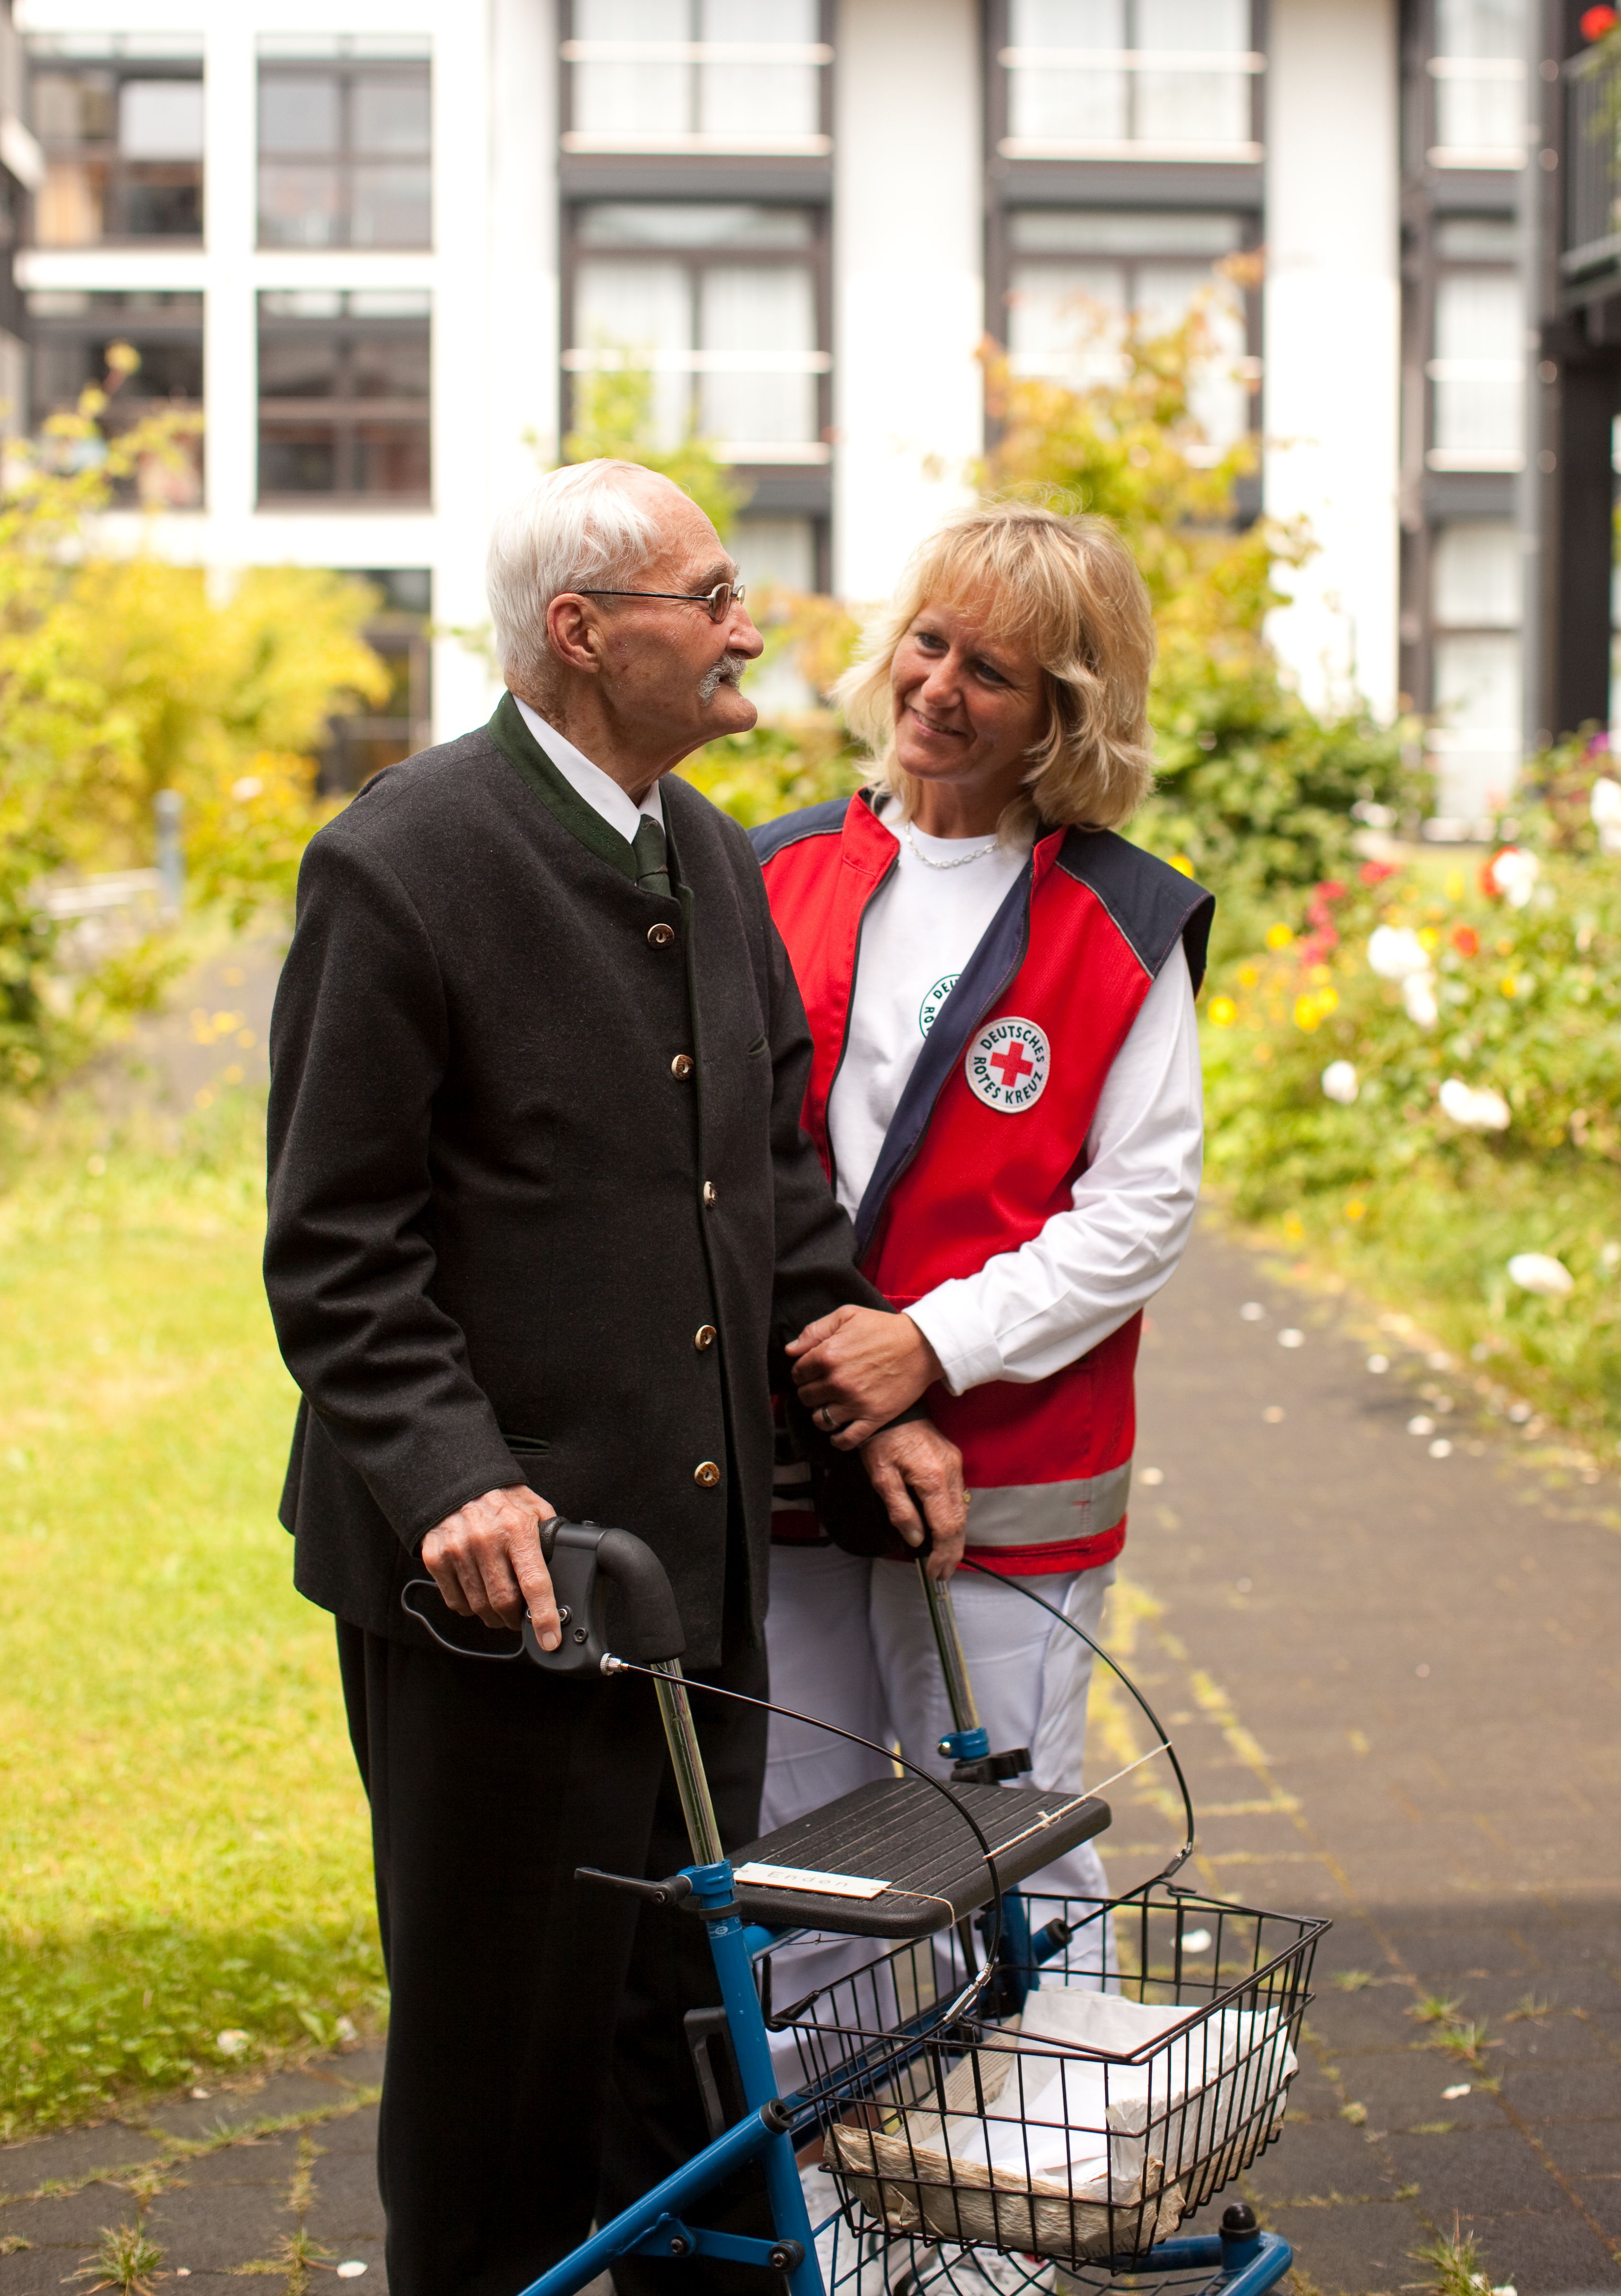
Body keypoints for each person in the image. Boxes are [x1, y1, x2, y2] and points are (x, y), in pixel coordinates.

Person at [263, 458, 964, 2296]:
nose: (748, 626)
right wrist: (453, 1479)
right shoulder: (402, 861)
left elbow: (774, 1184)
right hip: (496, 1595)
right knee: (501, 2062)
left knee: (686, 2023)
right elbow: (338, 1247)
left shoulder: (711, 853)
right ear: (581, 632)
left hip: (691, 1574)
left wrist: (871, 1401)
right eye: (710, 595)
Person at [751, 500, 1212, 1901]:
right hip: (792, 1450)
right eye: (930, 643)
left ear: (1065, 715)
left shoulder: (1121, 920)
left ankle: (1041, 2069)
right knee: (806, 1865)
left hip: (1008, 1473)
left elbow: (1141, 1210)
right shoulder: (770, 875)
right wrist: (843, 1363)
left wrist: (929, 1347)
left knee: (1007, 1860)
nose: (939, 688)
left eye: (992, 672)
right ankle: (842, 2070)